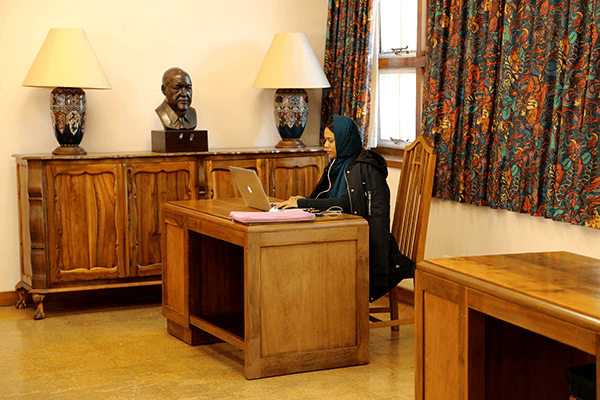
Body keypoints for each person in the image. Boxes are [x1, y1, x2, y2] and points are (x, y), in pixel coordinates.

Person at [276, 115, 414, 302]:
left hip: (363, 246)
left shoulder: (362, 167)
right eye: (325, 140)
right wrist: (302, 202)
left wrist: (303, 203)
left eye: (331, 140)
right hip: (344, 236)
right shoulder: (339, 164)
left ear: (344, 140)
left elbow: (345, 204)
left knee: (303, 258)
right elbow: (329, 198)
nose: (326, 145)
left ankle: (320, 310)